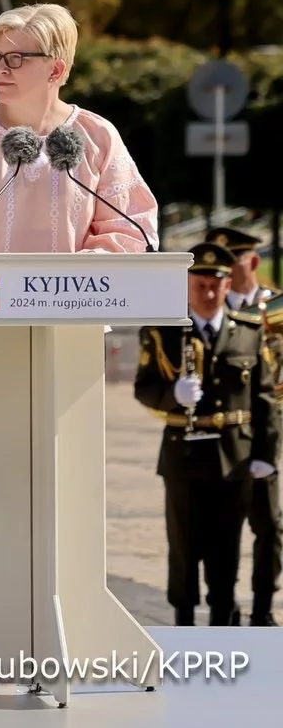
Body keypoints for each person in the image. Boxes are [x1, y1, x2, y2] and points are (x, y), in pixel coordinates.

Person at [0, 2, 157, 566]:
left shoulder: (95, 136)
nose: (1, 66)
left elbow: (132, 227)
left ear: (58, 68)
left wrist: (66, 280)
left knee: (63, 468)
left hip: (68, 334)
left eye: (18, 56)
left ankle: (62, 590)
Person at [135, 243, 277, 625]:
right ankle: (183, 622)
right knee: (183, 546)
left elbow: (264, 399)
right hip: (183, 456)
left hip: (235, 456)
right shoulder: (163, 330)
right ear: (187, 283)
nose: (208, 293)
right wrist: (172, 397)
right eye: (200, 284)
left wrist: (266, 454)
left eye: (216, 285)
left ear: (228, 283)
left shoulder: (247, 332)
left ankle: (222, 623)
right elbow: (144, 387)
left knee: (226, 547)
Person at [212, 224, 280, 624]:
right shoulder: (218, 308)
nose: (225, 268)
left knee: (270, 524)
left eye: (232, 259)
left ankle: (262, 607)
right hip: (228, 427)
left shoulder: (273, 305)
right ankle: (226, 607)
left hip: (269, 426)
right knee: (225, 523)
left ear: (252, 260)